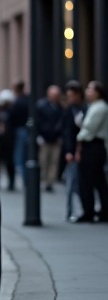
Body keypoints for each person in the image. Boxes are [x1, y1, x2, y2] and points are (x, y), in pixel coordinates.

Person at [74, 80, 108, 223]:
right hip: (92, 145)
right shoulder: (91, 106)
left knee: (89, 181)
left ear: (98, 92)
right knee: (97, 180)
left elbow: (88, 129)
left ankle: (90, 211)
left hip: (93, 146)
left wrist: (79, 141)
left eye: (90, 89)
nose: (87, 92)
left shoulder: (99, 107)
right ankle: (98, 210)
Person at [63, 80, 87, 221]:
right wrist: (68, 151)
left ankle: (85, 208)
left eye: (72, 95)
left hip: (86, 150)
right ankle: (70, 211)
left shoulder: (85, 108)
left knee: (80, 182)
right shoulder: (69, 110)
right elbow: (66, 132)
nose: (70, 98)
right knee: (71, 183)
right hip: (72, 151)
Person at [36, 84, 64, 192]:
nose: (55, 97)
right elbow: (38, 121)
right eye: (53, 94)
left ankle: (50, 182)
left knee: (54, 161)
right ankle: (45, 180)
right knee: (44, 160)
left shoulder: (60, 107)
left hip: (56, 139)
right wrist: (39, 136)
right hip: (44, 137)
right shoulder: (42, 106)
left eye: (57, 95)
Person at [10, 80, 30, 180]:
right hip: (25, 129)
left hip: (20, 130)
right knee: (24, 156)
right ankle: (26, 178)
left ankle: (26, 179)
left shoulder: (18, 101)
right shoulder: (26, 99)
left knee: (20, 157)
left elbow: (13, 116)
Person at [0, 89, 16, 190]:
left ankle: (11, 182)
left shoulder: (11, 111)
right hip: (0, 141)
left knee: (9, 163)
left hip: (8, 140)